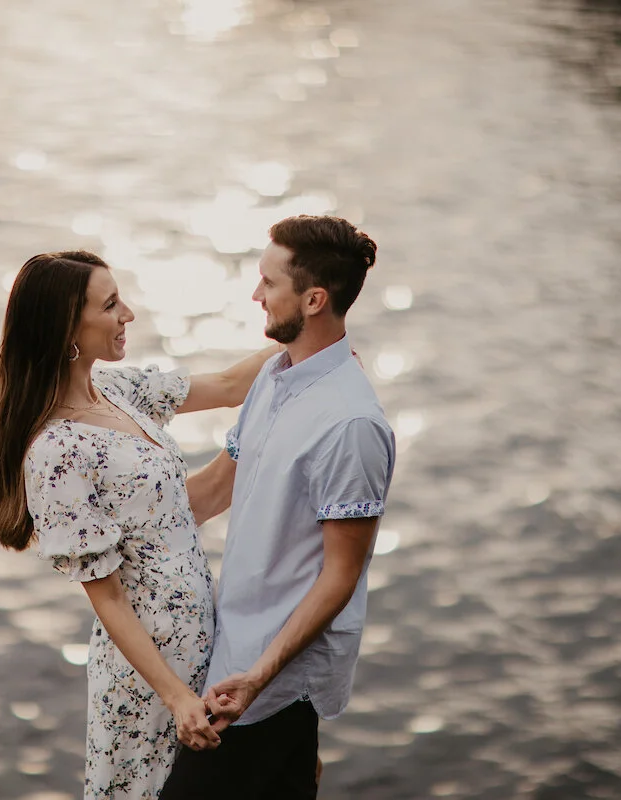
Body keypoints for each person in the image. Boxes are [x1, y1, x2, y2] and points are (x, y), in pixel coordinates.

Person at [0, 250, 279, 800]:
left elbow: (227, 384)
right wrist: (174, 696)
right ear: (67, 328)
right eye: (110, 305)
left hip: (205, 641)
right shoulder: (56, 451)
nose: (129, 314)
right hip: (149, 675)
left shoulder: (116, 390)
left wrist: (312, 342)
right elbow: (109, 599)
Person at [162, 215, 397, 799]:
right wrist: (105, 525)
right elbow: (214, 489)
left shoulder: (351, 424)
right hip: (232, 652)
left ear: (314, 300)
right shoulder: (273, 375)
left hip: (269, 685)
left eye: (269, 283)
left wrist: (258, 678)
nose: (255, 295)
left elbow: (341, 575)